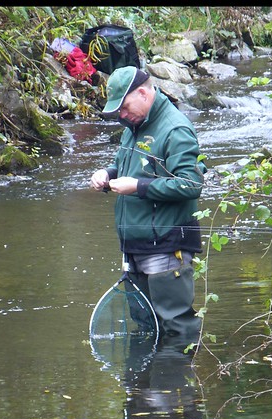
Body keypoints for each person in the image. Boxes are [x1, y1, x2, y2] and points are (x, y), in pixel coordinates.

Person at [90, 66, 207, 340]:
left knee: (176, 329)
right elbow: (126, 167)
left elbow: (191, 184)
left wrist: (138, 187)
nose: (121, 115)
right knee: (146, 328)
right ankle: (148, 383)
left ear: (143, 93)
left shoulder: (176, 128)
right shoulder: (132, 127)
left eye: (124, 107)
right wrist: (107, 174)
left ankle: (174, 382)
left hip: (166, 246)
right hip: (135, 247)